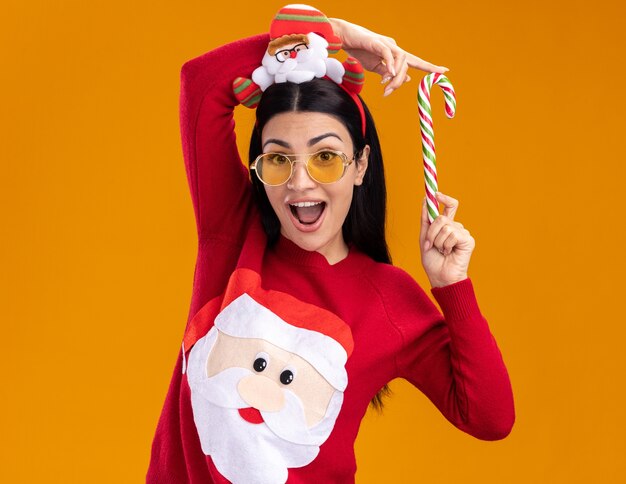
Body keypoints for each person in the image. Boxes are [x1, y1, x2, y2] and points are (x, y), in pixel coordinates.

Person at [147, 5, 515, 483]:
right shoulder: (232, 231)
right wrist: (325, 36)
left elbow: (489, 418)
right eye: (278, 160)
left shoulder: (388, 298)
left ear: (360, 165)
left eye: (326, 157)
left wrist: (453, 288)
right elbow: (200, 81)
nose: (300, 183)